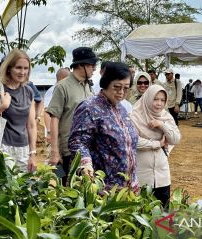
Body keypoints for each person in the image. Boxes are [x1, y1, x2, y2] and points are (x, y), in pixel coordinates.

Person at [68, 62, 139, 192]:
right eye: (117, 87)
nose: (121, 92)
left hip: (128, 188)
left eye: (126, 88)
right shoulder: (90, 107)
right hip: (103, 189)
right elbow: (78, 141)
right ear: (106, 83)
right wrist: (85, 164)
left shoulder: (121, 108)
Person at [0, 49, 37, 172]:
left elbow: (31, 125)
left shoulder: (28, 91)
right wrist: (2, 107)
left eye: (26, 68)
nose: (22, 72)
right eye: (18, 68)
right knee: (2, 187)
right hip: (0, 147)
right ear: (8, 68)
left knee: (23, 187)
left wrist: (33, 153)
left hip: (23, 150)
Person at [46, 47, 98, 184]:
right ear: (81, 65)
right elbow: (54, 118)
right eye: (91, 65)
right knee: (64, 186)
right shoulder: (62, 87)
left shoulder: (88, 86)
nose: (94, 69)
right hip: (67, 150)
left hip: (87, 149)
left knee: (84, 188)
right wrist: (55, 151)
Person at [131, 85, 181, 207]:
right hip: (142, 177)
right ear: (148, 98)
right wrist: (157, 144)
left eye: (162, 100)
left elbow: (175, 139)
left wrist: (162, 125)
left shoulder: (166, 117)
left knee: (162, 216)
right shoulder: (135, 116)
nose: (159, 103)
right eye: (155, 99)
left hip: (162, 176)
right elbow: (133, 141)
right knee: (142, 215)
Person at [43, 67, 70, 143]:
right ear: (63, 78)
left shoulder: (64, 89)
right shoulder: (52, 91)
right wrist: (49, 132)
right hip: (53, 135)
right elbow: (46, 112)